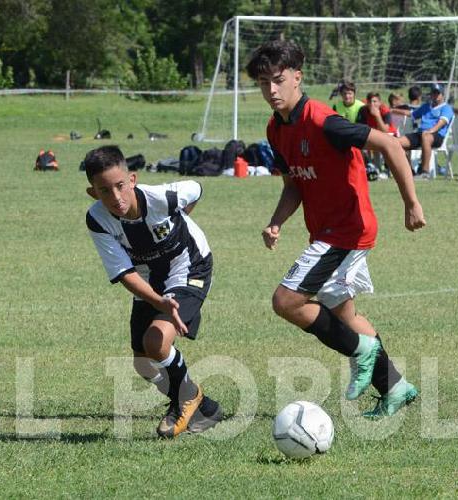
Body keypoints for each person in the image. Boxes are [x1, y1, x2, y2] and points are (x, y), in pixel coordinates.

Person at [244, 39, 427, 419]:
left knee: (287, 301)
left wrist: (412, 203)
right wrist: (277, 220)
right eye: (264, 83)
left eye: (278, 80)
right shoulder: (276, 129)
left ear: (298, 77)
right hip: (325, 231)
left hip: (346, 231)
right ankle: (395, 388)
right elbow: (295, 183)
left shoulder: (324, 121)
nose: (272, 90)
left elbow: (391, 147)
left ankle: (362, 351)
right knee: (345, 316)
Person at [82, 145, 223, 438]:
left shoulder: (162, 198)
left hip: (189, 267)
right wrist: (159, 300)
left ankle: (184, 401)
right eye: (105, 191)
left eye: (120, 186)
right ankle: (203, 406)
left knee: (155, 341)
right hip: (149, 280)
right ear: (93, 193)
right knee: (144, 364)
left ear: (132, 179)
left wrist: (181, 219)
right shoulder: (97, 219)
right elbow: (125, 273)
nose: (116, 197)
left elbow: (196, 188)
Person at [397, 83, 453, 179]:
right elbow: (412, 114)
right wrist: (394, 110)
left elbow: (441, 123)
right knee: (399, 142)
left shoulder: (446, 108)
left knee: (425, 136)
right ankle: (410, 172)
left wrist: (430, 130)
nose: (434, 95)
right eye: (433, 93)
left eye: (437, 93)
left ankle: (425, 172)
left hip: (437, 136)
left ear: (442, 95)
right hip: (421, 134)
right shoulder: (426, 106)